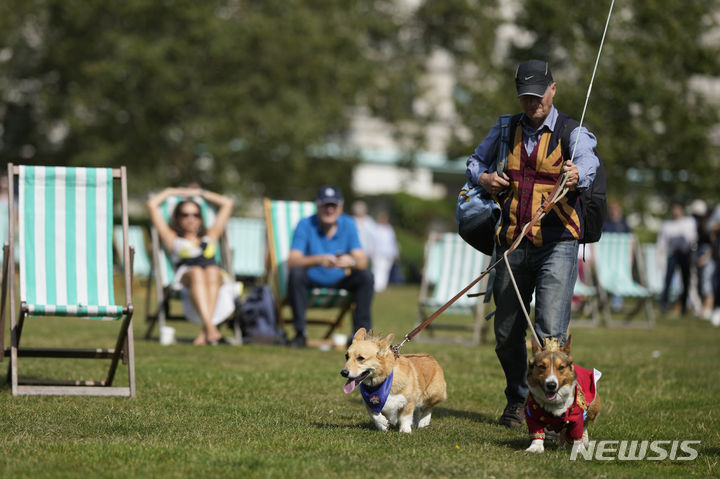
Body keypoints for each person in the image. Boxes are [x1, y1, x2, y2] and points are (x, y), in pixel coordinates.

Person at [465, 59, 600, 428]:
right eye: (525, 96)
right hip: (511, 243)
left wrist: (577, 174)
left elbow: (589, 160)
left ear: (552, 90)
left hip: (558, 242)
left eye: (538, 96)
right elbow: (473, 163)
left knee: (550, 334)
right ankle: (518, 398)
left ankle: (556, 411)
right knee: (507, 332)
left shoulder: (573, 130)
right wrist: (487, 177)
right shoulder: (505, 127)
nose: (532, 103)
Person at [287, 186, 374, 348]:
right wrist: (319, 259)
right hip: (312, 278)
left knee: (366, 276)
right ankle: (300, 333)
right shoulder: (305, 224)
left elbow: (362, 261)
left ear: (340, 207)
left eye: (333, 205)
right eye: (325, 205)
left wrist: (351, 261)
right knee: (295, 274)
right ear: (318, 206)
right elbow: (292, 260)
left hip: (341, 279)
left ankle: (360, 337)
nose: (329, 209)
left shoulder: (348, 224)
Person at [147, 186, 234, 345]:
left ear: (200, 218)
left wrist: (199, 193)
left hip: (213, 276)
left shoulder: (211, 234)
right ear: (178, 218)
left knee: (213, 270)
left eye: (196, 214)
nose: (191, 218)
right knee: (197, 272)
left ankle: (205, 333)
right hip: (187, 276)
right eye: (185, 214)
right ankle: (211, 329)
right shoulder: (171, 237)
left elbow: (227, 204)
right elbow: (152, 205)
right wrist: (172, 191)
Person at [656, 200, 697, 316]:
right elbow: (661, 243)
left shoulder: (689, 222)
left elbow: (692, 239)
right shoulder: (667, 225)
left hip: (685, 255)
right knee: (668, 281)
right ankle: (664, 305)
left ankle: (684, 306)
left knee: (685, 281)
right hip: (673, 255)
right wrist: (659, 258)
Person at [689, 199, 714, 319]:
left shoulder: (710, 229)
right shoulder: (698, 227)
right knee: (698, 283)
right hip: (699, 256)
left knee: (706, 283)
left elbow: (712, 246)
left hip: (707, 257)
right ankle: (701, 308)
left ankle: (708, 308)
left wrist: (705, 257)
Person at [370, 210, 399, 292]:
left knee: (385, 270)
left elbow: (393, 242)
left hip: (388, 254)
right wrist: (371, 251)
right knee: (376, 269)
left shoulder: (389, 229)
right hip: (377, 253)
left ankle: (382, 286)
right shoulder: (375, 228)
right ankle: (375, 286)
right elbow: (372, 241)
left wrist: (395, 253)